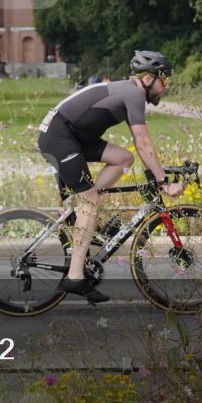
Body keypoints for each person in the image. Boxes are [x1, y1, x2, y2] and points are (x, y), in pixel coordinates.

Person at [37, 50, 183, 304]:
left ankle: (85, 209)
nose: (165, 87)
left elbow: (138, 149)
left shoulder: (129, 90)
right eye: (164, 81)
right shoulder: (134, 93)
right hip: (60, 137)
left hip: (76, 137)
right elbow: (143, 141)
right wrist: (163, 182)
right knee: (91, 201)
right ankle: (74, 276)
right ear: (148, 79)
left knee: (123, 159)